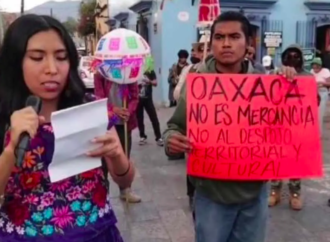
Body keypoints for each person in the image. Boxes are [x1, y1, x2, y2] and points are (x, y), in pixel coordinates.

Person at [163, 11, 296, 242]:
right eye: (219, 37)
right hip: (211, 195)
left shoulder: (265, 83)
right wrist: (171, 140)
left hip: (254, 195)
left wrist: (291, 82)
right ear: (211, 42)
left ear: (248, 43)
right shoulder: (198, 83)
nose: (226, 43)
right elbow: (175, 126)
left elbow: (291, 125)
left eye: (234, 36)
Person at [0, 14, 134, 241]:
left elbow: (125, 179)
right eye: (37, 57)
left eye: (61, 57)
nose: (52, 69)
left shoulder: (90, 108)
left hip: (97, 233)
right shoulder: (5, 116)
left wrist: (118, 156)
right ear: (16, 61)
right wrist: (12, 148)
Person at [268, 44, 313, 211]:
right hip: (278, 125)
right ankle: (275, 190)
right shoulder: (275, 74)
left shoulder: (308, 77)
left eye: (296, 55)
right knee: (276, 159)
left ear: (301, 58)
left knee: (296, 159)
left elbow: (314, 102)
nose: (292, 58)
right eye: (289, 55)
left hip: (298, 127)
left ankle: (295, 193)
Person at [94, 67, 141, 203]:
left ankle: (125, 190)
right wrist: (113, 110)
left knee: (123, 156)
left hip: (125, 123)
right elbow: (99, 97)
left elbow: (135, 97)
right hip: (106, 122)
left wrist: (128, 111)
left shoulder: (130, 74)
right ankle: (103, 194)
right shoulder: (100, 73)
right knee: (103, 160)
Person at [137, 66, 164, 146]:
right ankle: (142, 137)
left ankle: (158, 137)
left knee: (154, 118)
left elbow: (155, 83)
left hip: (148, 99)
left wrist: (149, 81)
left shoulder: (150, 70)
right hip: (138, 99)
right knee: (139, 119)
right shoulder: (135, 70)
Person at [310, 57, 330, 135]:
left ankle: (318, 134)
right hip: (312, 92)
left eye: (316, 65)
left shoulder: (326, 71)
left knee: (319, 114)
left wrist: (322, 83)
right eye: (313, 65)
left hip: (322, 92)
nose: (315, 67)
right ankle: (311, 132)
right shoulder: (311, 72)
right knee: (312, 114)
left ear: (320, 65)